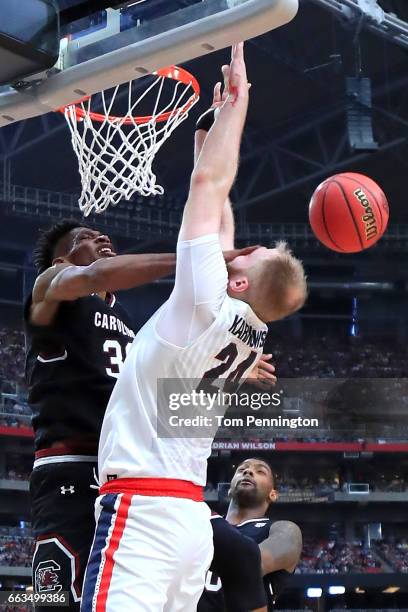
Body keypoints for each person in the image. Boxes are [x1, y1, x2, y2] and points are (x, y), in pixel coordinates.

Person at [81, 42, 306, 612]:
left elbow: (210, 192)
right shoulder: (248, 328)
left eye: (246, 257)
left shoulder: (205, 301)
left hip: (143, 510)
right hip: (188, 520)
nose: (238, 252)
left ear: (235, 283)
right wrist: (204, 145)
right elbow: (221, 227)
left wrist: (236, 106)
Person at [26, 221, 260, 612]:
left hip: (138, 475)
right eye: (85, 237)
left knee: (238, 554)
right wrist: (190, 263)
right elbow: (96, 275)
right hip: (73, 469)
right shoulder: (49, 290)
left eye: (102, 233)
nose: (102, 237)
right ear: (62, 260)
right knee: (65, 600)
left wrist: (231, 365)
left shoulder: (134, 326)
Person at [198, 458, 302, 611]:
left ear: (273, 494)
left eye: (260, 471)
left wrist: (198, 511)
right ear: (229, 489)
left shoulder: (284, 529)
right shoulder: (204, 524)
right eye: (241, 470)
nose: (248, 471)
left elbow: (248, 565)